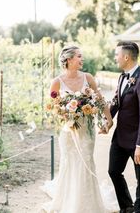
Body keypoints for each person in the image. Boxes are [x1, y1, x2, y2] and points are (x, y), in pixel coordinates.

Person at [40, 46, 114, 213]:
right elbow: (52, 107)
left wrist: (109, 120)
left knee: (86, 160)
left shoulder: (88, 78)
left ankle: (88, 204)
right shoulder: (57, 82)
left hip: (86, 129)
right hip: (67, 131)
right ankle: (69, 203)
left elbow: (101, 101)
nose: (82, 59)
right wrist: (65, 113)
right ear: (69, 60)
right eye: (79, 57)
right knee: (69, 162)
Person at [106, 41, 140, 213]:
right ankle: (127, 207)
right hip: (120, 137)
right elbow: (116, 102)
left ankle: (139, 210)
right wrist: (107, 119)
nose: (115, 57)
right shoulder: (122, 76)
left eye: (117, 54)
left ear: (126, 57)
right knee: (113, 171)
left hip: (138, 140)